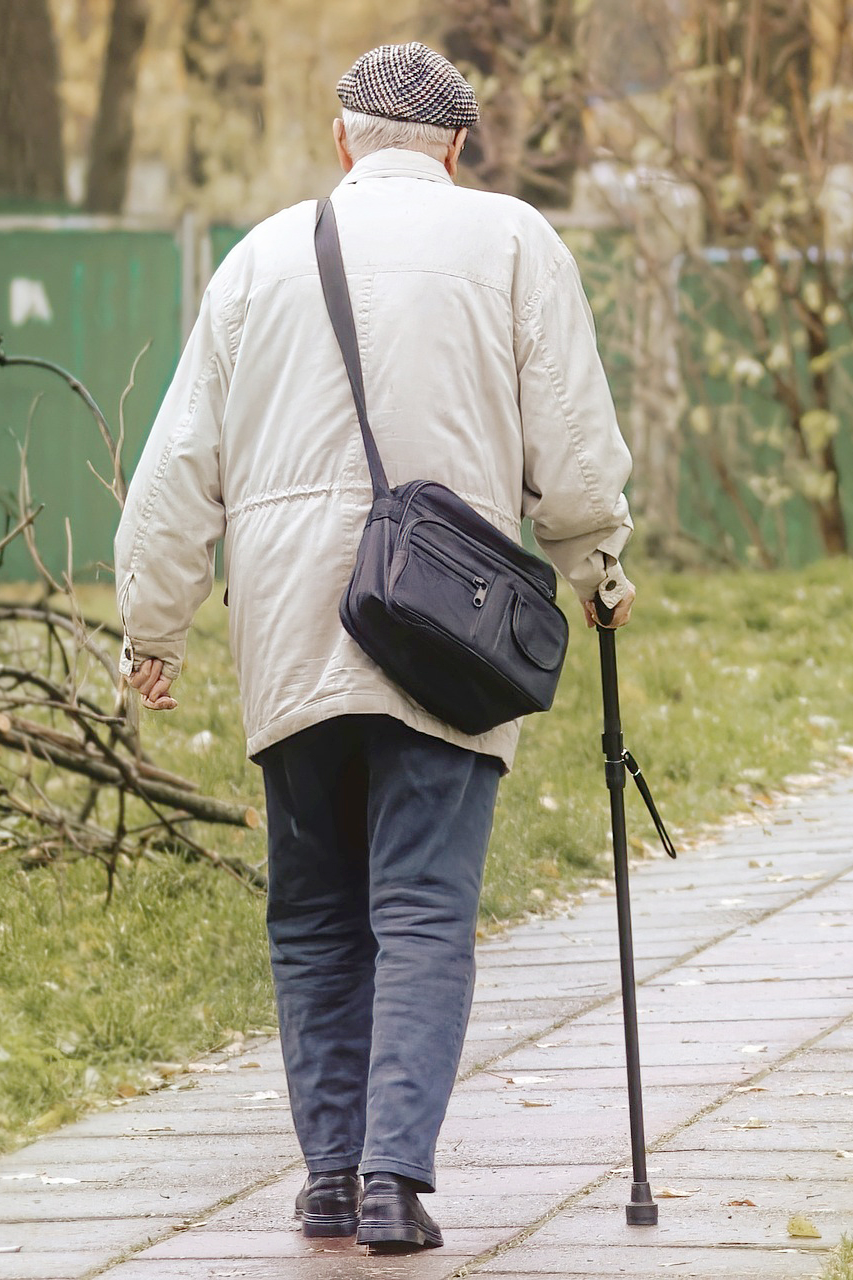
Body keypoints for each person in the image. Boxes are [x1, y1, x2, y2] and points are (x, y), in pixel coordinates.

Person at [113, 41, 636, 1254]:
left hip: (293, 626)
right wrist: (597, 568)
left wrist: (154, 624)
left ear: (341, 140)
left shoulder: (254, 261)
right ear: (456, 149)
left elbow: (178, 464)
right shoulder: (513, 242)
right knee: (422, 911)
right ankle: (396, 1177)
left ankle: (327, 1179)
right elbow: (571, 439)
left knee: (310, 917)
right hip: (442, 626)